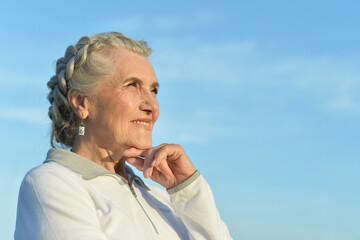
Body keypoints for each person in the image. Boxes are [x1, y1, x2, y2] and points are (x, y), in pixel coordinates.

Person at [14, 32, 232, 240]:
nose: (152, 106)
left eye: (154, 90)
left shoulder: (161, 199)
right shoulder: (51, 183)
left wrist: (187, 188)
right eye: (132, 85)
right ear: (81, 102)